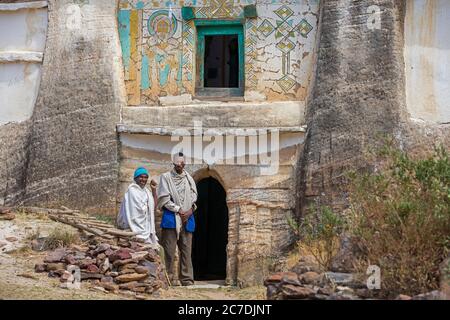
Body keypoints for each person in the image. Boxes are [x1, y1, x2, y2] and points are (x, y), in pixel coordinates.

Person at [157, 152, 198, 286]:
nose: (180, 166)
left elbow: (193, 197)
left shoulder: (189, 178)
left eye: (183, 164)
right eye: (178, 164)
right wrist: (178, 209)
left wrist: (189, 210)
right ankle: (168, 278)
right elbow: (164, 198)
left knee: (186, 250)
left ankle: (186, 279)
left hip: (187, 217)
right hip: (171, 218)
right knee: (169, 250)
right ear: (174, 164)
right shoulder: (166, 177)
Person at [117, 167, 159, 247]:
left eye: (145, 177)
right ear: (135, 178)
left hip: (146, 227)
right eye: (141, 177)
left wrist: (154, 190)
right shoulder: (132, 191)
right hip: (135, 226)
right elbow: (137, 211)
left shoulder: (146, 191)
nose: (143, 179)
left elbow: (153, 206)